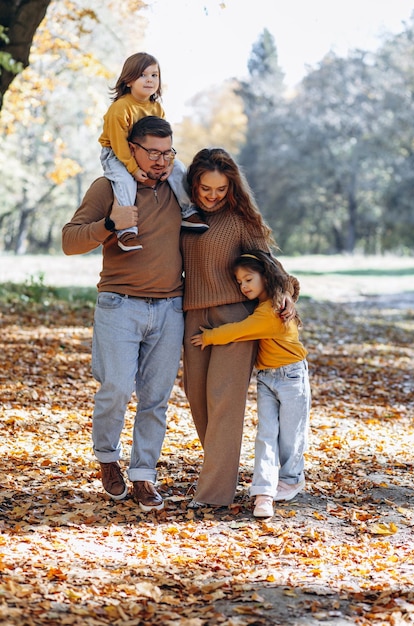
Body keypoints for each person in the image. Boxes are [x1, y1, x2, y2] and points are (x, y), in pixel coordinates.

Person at [62, 116, 184, 512]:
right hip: (120, 304)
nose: (161, 161)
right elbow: (69, 240)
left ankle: (144, 475)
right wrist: (110, 224)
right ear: (131, 149)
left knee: (156, 399)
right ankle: (108, 459)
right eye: (152, 152)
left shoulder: (178, 189)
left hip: (169, 308)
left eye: (168, 153)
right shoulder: (109, 187)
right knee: (115, 387)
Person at [181, 147, 300, 508]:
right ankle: (220, 472)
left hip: (237, 318)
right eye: (206, 189)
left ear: (231, 186)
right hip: (193, 317)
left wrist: (287, 292)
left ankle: (214, 493)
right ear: (194, 185)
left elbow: (270, 266)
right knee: (197, 399)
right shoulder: (184, 214)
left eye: (220, 189)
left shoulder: (240, 220)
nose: (213, 196)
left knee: (223, 403)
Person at [191, 250, 310, 518]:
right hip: (267, 378)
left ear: (265, 277)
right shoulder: (273, 300)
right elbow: (287, 282)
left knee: (291, 435)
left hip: (292, 378)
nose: (243, 286)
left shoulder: (270, 312)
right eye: (239, 282)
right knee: (266, 435)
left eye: (248, 279)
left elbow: (237, 330)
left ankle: (291, 479)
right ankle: (264, 491)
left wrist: (208, 336)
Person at [98, 52, 207, 251]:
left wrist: (169, 162)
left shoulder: (157, 108)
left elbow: (164, 139)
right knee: (124, 182)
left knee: (179, 169)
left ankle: (188, 211)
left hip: (151, 152)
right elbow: (119, 143)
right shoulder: (120, 109)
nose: (149, 79)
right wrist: (132, 168)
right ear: (128, 80)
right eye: (142, 75)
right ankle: (127, 231)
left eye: (154, 75)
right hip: (117, 153)